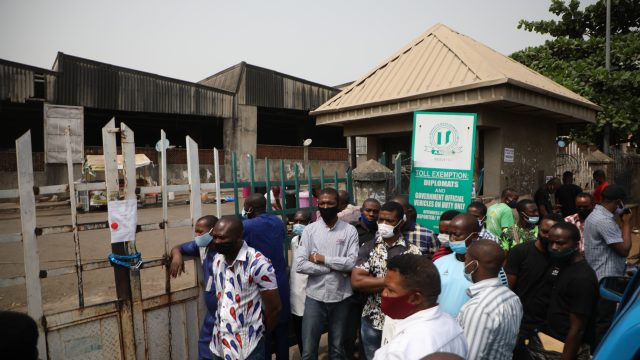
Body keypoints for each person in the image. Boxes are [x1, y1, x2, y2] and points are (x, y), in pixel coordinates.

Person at [295, 187, 359, 360]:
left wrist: (322, 258)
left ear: (338, 205)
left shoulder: (349, 231)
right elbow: (300, 264)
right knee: (308, 351)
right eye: (321, 203)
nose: (325, 206)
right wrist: (331, 267)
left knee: (337, 349)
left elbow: (352, 263)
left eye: (329, 203)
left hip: (341, 297)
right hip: (315, 297)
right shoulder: (310, 230)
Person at [352, 201, 421, 359]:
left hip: (402, 321)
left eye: (389, 221)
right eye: (381, 220)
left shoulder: (412, 251)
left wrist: (373, 280)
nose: (383, 224)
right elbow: (357, 282)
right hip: (372, 318)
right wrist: (393, 280)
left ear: (400, 222)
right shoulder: (368, 247)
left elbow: (413, 286)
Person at [209, 216, 282, 360]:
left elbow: (275, 308)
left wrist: (257, 332)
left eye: (222, 238)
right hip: (219, 345)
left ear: (239, 236)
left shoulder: (258, 263)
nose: (217, 242)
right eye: (215, 237)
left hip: (247, 349)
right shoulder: (218, 259)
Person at [372, 254, 468, 360]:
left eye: (390, 290)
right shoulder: (453, 326)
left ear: (415, 298)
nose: (384, 293)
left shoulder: (398, 351)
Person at [525, 222, 598, 360]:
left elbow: (577, 329)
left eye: (560, 243)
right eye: (550, 242)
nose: (554, 247)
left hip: (564, 348)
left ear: (576, 245)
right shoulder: (558, 265)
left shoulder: (582, 278)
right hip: (546, 342)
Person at [504, 214, 563, 358]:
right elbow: (508, 290)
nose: (548, 236)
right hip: (521, 324)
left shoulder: (562, 258)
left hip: (549, 328)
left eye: (552, 234)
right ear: (538, 230)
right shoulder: (520, 252)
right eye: (544, 231)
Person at [583, 184, 633, 348]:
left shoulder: (595, 215)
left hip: (597, 275)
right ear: (619, 203)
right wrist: (626, 224)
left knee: (597, 320)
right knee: (604, 323)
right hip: (606, 279)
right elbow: (624, 250)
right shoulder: (604, 221)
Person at [242, 194, 290, 360]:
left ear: (250, 208)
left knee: (265, 329)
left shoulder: (247, 226)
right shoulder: (277, 222)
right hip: (280, 279)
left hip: (261, 283)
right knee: (282, 328)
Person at [457, 240, 523, 360]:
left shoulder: (478, 308)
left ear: (473, 265)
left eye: (466, 259)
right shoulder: (513, 298)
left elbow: (471, 356)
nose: (464, 263)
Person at [169, 215, 219, 360]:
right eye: (196, 231)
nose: (197, 236)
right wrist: (177, 255)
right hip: (212, 313)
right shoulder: (202, 247)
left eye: (200, 232)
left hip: (228, 311)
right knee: (205, 345)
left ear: (213, 231)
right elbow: (178, 247)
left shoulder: (225, 252)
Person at [345, 198, 381, 359]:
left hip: (373, 291)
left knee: (368, 334)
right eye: (368, 210)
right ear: (362, 211)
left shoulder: (382, 231)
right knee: (348, 332)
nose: (372, 214)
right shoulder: (351, 231)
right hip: (352, 290)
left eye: (375, 211)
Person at [434, 214, 479, 317]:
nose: (452, 239)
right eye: (450, 234)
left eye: (457, 234)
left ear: (474, 236)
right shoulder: (439, 262)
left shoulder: (485, 268)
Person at [289, 210, 312, 355]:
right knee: (298, 331)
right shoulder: (293, 241)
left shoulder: (314, 241)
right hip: (295, 293)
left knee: (309, 334)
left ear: (309, 223)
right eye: (296, 221)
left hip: (310, 294)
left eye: (302, 222)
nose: (298, 225)